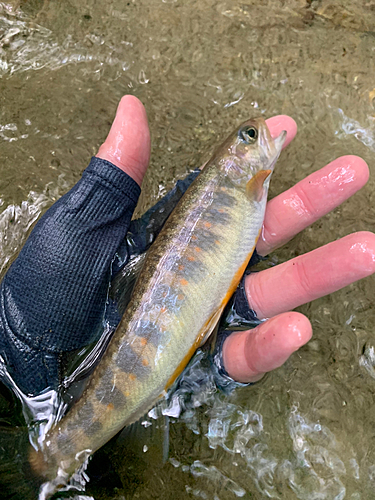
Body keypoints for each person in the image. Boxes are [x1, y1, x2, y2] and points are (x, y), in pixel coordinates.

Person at [0, 95, 374, 397]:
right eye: (249, 135)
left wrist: (16, 367)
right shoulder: (249, 183)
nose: (255, 134)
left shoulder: (249, 183)